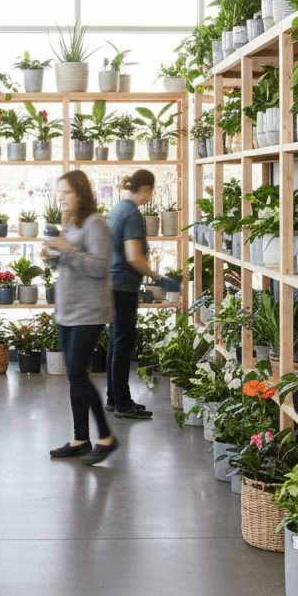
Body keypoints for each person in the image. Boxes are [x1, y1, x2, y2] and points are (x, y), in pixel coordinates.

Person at [42, 171, 118, 465]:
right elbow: (70, 261)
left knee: (76, 374)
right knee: (75, 379)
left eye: (66, 193)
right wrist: (53, 257)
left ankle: (106, 437)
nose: (60, 198)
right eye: (59, 193)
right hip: (68, 311)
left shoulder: (96, 223)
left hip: (89, 311)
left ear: (81, 194)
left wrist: (67, 250)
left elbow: (100, 267)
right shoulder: (70, 224)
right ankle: (80, 439)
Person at [105, 170, 177, 418]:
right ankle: (123, 404)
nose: (151, 195)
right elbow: (134, 257)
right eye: (151, 190)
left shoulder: (117, 209)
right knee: (123, 344)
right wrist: (159, 278)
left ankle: (113, 399)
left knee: (115, 343)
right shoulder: (132, 214)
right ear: (146, 189)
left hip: (111, 284)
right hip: (123, 286)